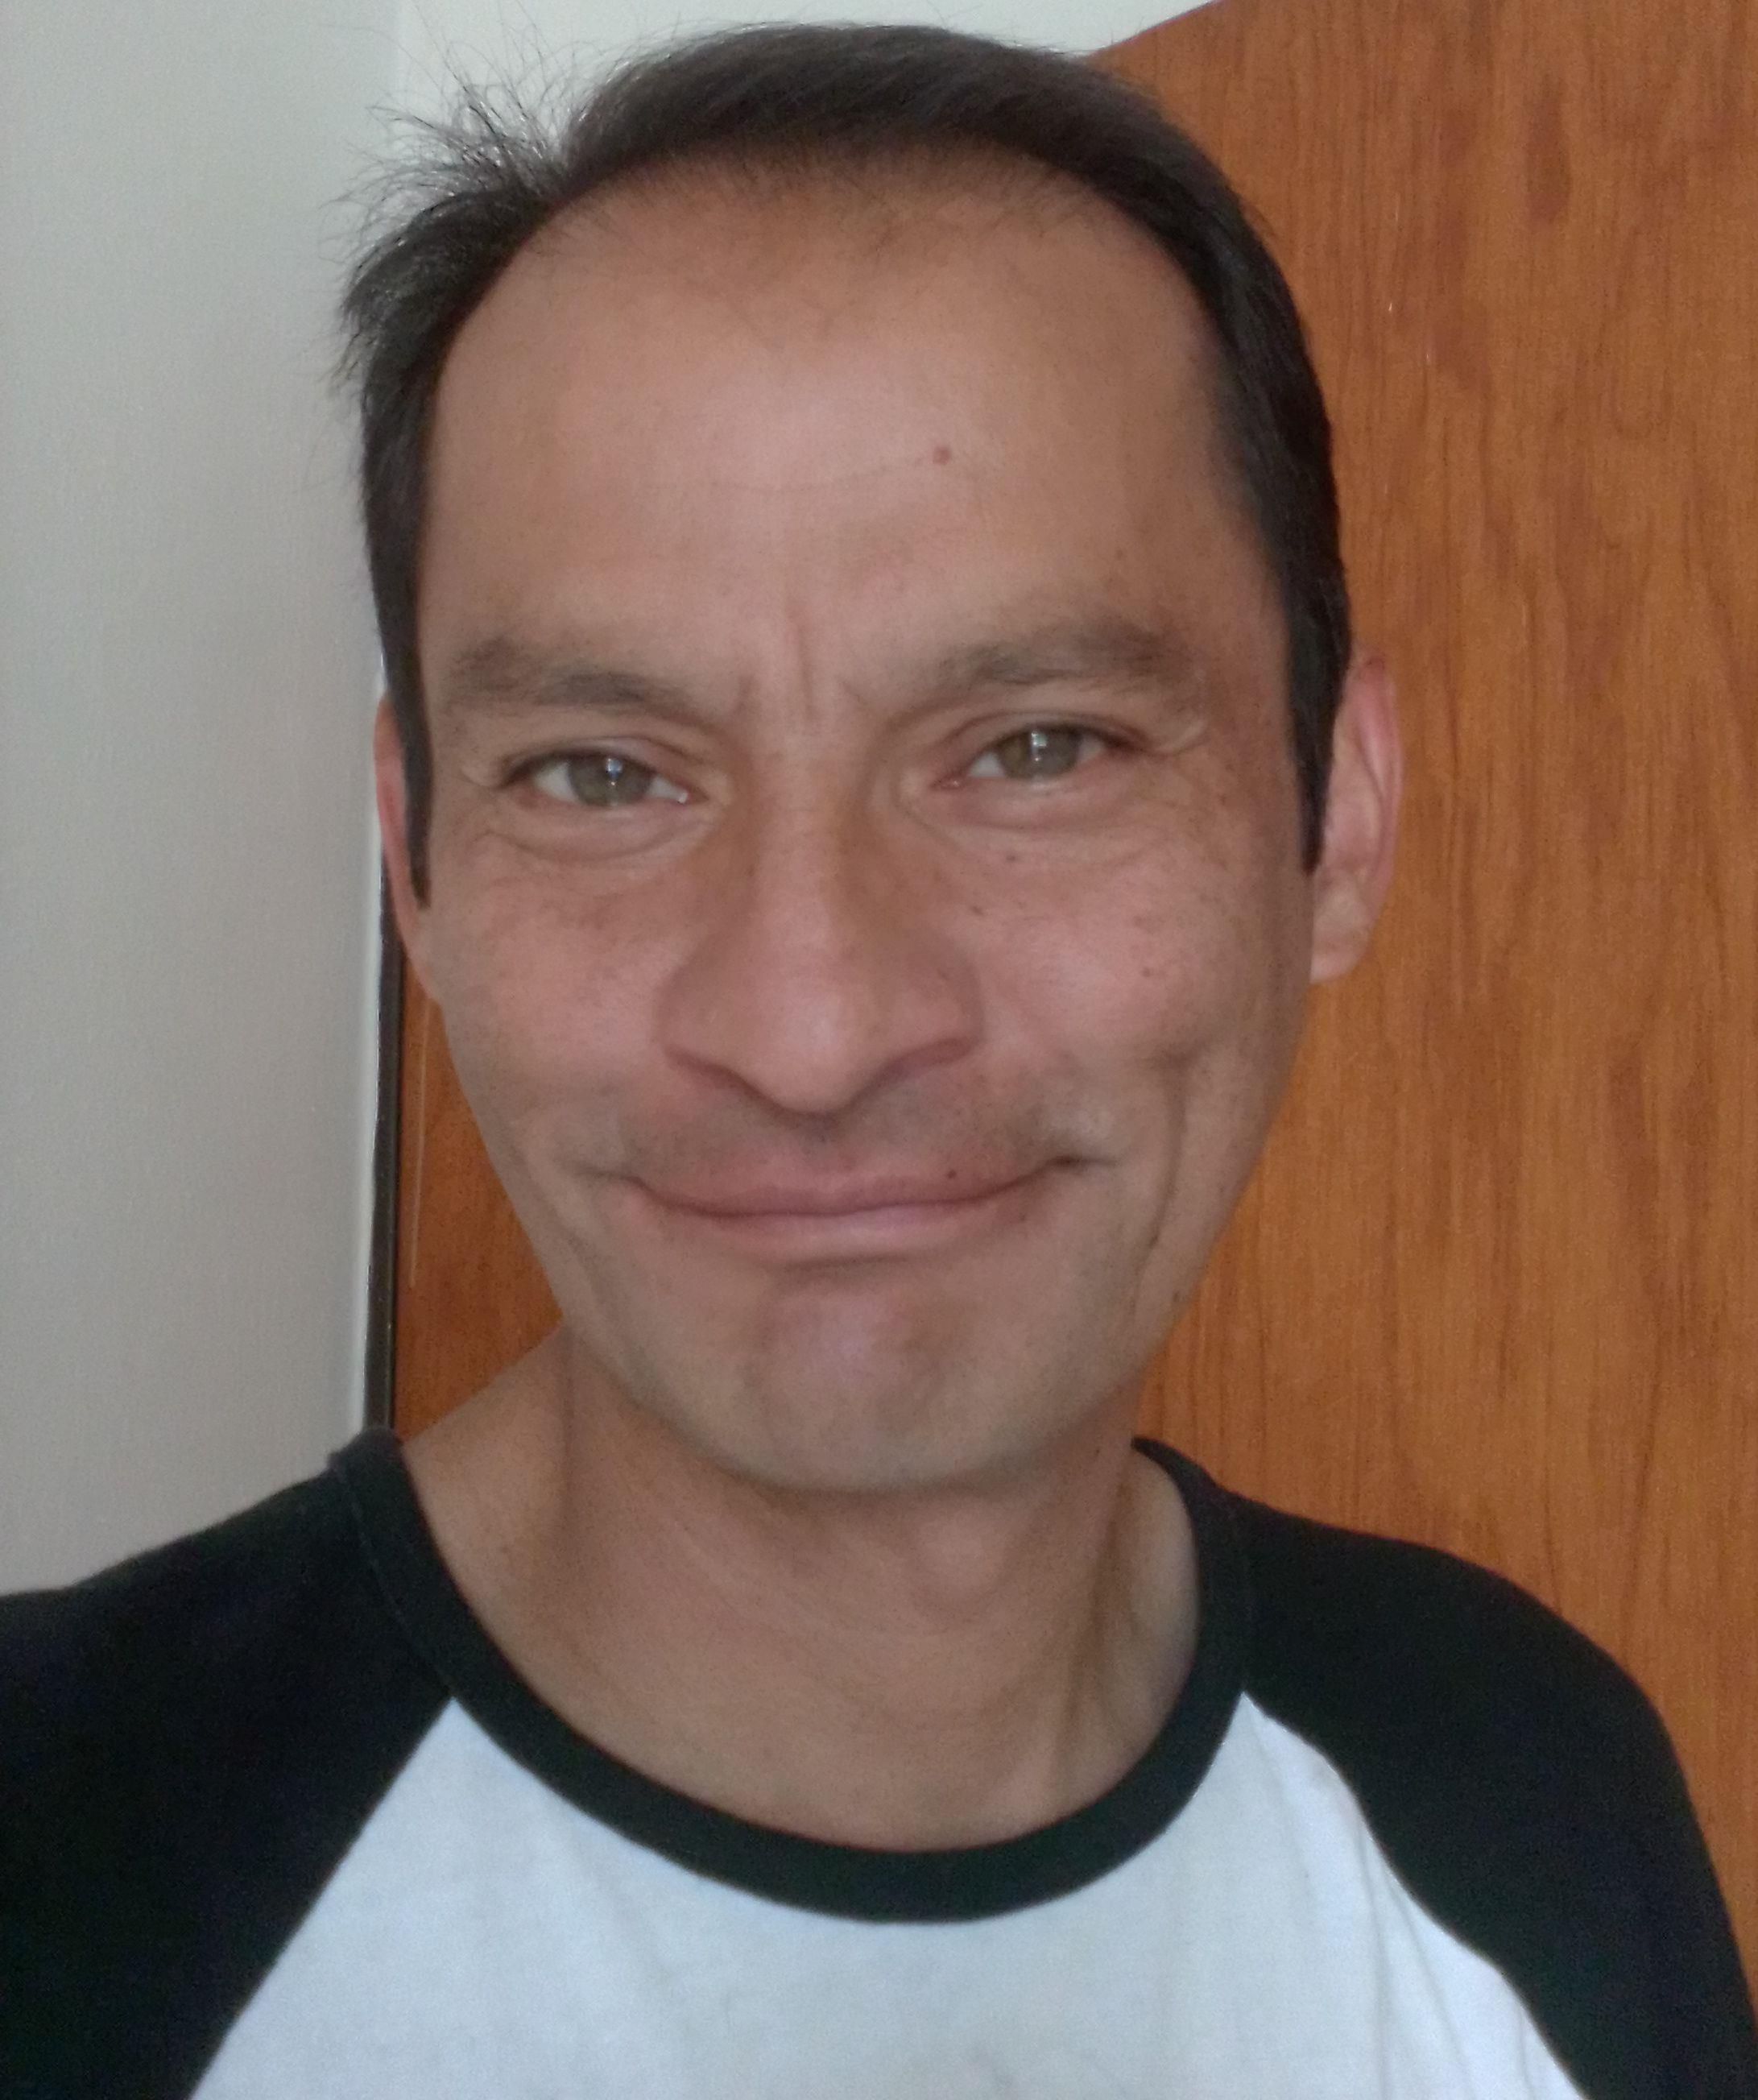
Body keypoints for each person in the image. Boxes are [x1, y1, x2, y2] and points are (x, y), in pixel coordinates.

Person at [3, 22, 1752, 2098]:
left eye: (1039, 748)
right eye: (602, 774)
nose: (813, 1031)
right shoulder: (57, 1871)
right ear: (418, 869)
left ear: (1339, 821)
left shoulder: (1533, 1796)